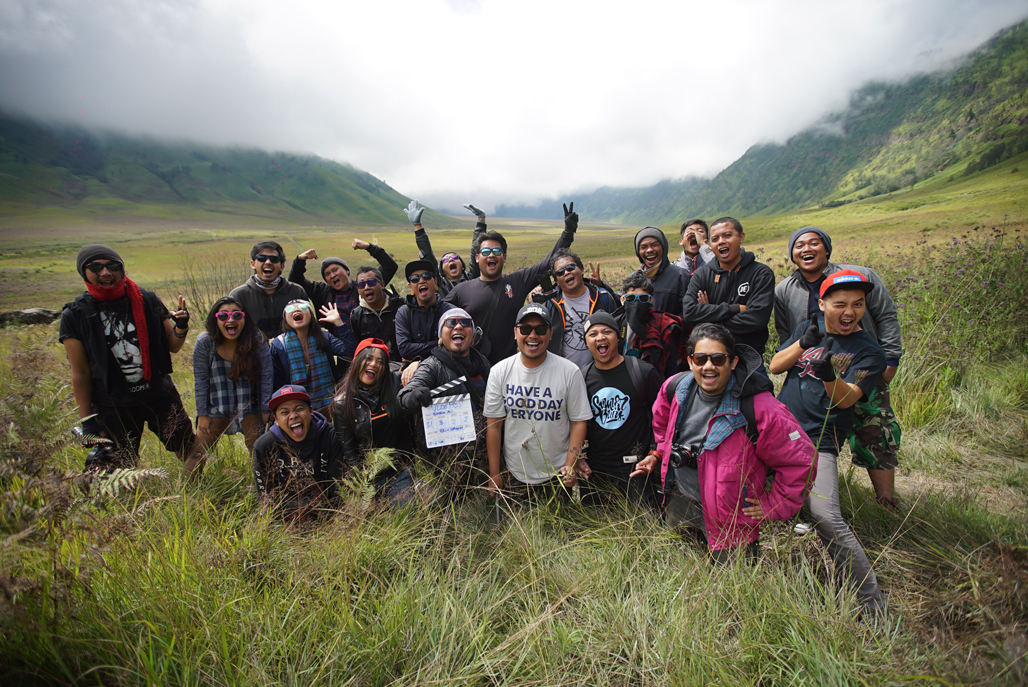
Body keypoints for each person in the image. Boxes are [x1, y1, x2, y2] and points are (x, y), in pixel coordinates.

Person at [634, 323, 815, 562]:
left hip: (731, 522)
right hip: (680, 501)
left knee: (731, 590)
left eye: (718, 359)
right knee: (683, 573)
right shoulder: (676, 388)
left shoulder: (761, 408)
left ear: (733, 362)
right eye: (700, 359)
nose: (708, 366)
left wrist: (776, 503)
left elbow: (801, 461)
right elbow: (661, 422)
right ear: (690, 362)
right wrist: (661, 453)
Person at [770, 270, 888, 615]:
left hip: (819, 440)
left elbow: (847, 400)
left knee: (825, 515)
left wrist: (829, 375)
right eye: (840, 304)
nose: (849, 312)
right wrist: (803, 343)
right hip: (778, 429)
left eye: (858, 304)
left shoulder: (870, 352)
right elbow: (777, 366)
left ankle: (871, 602)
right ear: (822, 304)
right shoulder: (809, 328)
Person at [774, 226, 903, 506]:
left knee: (874, 431)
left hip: (862, 365)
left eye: (814, 243)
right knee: (814, 439)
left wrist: (889, 361)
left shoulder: (861, 276)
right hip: (813, 368)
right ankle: (806, 499)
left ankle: (886, 503)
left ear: (827, 248)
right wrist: (799, 351)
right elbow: (786, 333)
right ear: (792, 255)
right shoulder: (784, 289)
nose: (806, 249)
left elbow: (886, 317)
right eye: (799, 245)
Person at [59, 244, 194, 469]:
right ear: (84, 272)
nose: (105, 273)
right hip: (112, 402)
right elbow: (81, 372)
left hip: (158, 394)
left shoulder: (146, 300)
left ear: (122, 269)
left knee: (188, 448)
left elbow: (173, 345)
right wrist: (87, 420)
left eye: (113, 266)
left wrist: (181, 326)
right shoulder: (75, 314)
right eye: (96, 267)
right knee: (117, 466)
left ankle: (198, 495)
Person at [482, 304, 592, 504]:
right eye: (525, 329)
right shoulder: (499, 372)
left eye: (540, 330)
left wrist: (570, 465)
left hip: (557, 473)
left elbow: (578, 421)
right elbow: (494, 425)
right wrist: (494, 473)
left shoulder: (570, 371)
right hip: (515, 472)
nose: (533, 335)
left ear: (550, 334)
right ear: (515, 333)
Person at [445, 202, 579, 364]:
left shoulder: (517, 281)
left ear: (505, 256)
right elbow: (438, 314)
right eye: (486, 252)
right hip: (471, 369)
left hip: (507, 369)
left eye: (497, 251)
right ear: (477, 257)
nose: (491, 255)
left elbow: (547, 264)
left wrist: (568, 233)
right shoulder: (462, 290)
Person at [398, 308, 492, 496]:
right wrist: (414, 396)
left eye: (465, 323)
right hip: (446, 462)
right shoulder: (432, 365)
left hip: (483, 457)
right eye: (451, 323)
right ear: (440, 337)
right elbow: (403, 397)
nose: (458, 326)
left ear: (472, 335)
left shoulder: (483, 363)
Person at [579, 312, 663, 506]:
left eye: (607, 331)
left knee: (645, 528)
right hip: (596, 473)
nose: (600, 337)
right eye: (593, 334)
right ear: (586, 342)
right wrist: (578, 459)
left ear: (618, 337)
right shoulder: (582, 378)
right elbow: (577, 424)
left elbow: (663, 418)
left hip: (636, 470)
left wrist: (655, 453)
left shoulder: (642, 372)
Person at [186, 298, 272, 477]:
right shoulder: (205, 342)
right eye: (223, 315)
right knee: (197, 454)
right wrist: (202, 413)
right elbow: (200, 379)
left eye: (237, 315)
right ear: (215, 319)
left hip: (249, 404)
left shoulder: (256, 340)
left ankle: (263, 493)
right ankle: (190, 495)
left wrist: (265, 408)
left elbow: (266, 376)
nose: (230, 320)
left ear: (244, 319)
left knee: (259, 453)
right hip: (216, 405)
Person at [333, 338, 417, 506]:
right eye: (369, 358)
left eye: (380, 362)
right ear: (356, 362)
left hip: (402, 472)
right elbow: (350, 454)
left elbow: (429, 370)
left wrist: (417, 363)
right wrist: (362, 490)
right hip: (370, 478)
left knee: (404, 520)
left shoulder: (396, 385)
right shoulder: (341, 403)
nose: (374, 364)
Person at [682, 217, 775, 363]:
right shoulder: (702, 274)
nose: (721, 241)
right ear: (710, 244)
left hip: (748, 357)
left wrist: (708, 318)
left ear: (741, 237)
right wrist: (733, 309)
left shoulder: (761, 273)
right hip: (710, 358)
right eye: (715, 238)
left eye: (727, 235)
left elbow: (756, 318)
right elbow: (689, 313)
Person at [253, 385, 343, 520]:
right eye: (284, 412)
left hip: (326, 511)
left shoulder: (331, 436)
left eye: (299, 409)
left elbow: (339, 489)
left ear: (311, 411)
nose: (293, 416)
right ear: (276, 420)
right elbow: (265, 497)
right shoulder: (264, 446)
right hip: (286, 515)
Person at [288, 238, 397, 349]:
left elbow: (390, 267)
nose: (332, 275)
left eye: (335, 270)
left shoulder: (364, 286)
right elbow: (294, 283)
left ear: (347, 271)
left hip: (368, 348)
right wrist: (300, 260)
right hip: (340, 350)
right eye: (327, 274)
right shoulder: (321, 292)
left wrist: (369, 247)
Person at [271, 300, 351, 414]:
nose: (296, 309)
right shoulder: (278, 345)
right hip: (295, 407)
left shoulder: (324, 337)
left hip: (327, 402)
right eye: (289, 309)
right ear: (285, 318)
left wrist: (338, 323)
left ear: (311, 314)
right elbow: (278, 383)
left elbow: (350, 351)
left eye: (303, 307)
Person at [543, 248, 618, 368]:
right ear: (556, 281)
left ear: (582, 269)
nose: (566, 273)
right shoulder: (550, 304)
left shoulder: (603, 298)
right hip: (562, 374)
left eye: (570, 267)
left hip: (599, 373)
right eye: (560, 272)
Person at [405, 200, 487, 296]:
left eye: (455, 257)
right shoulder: (440, 285)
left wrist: (481, 219)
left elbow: (476, 249)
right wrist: (417, 226)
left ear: (463, 266)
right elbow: (428, 257)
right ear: (442, 271)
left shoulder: (473, 278)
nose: (451, 259)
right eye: (445, 260)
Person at [229, 241, 308, 339]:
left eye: (274, 259)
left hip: (291, 352)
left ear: (282, 266)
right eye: (262, 258)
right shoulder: (239, 296)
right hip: (252, 352)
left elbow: (309, 328)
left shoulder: (296, 292)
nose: (268, 262)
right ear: (252, 264)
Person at [616, 272, 683, 378]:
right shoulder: (615, 324)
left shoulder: (663, 326)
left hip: (653, 381)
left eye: (642, 299)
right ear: (622, 300)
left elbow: (671, 367)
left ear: (651, 300)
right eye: (630, 299)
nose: (636, 304)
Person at [394, 259, 456, 364]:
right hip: (412, 371)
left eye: (426, 276)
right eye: (415, 279)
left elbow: (455, 346)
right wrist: (439, 343)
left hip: (446, 368)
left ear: (435, 281)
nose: (421, 280)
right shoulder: (404, 313)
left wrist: (417, 358)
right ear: (410, 287)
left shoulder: (450, 312)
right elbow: (405, 350)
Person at [627, 226, 690, 318]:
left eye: (654, 245)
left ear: (663, 248)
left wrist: (668, 327)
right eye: (643, 247)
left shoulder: (680, 276)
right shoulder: (633, 278)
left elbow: (688, 313)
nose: (649, 250)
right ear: (638, 252)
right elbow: (621, 305)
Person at [350, 265, 405, 363]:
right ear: (358, 289)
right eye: (361, 285)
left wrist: (405, 305)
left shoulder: (399, 306)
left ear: (382, 284)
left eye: (371, 282)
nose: (366, 287)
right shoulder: (357, 316)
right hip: (376, 367)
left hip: (402, 366)